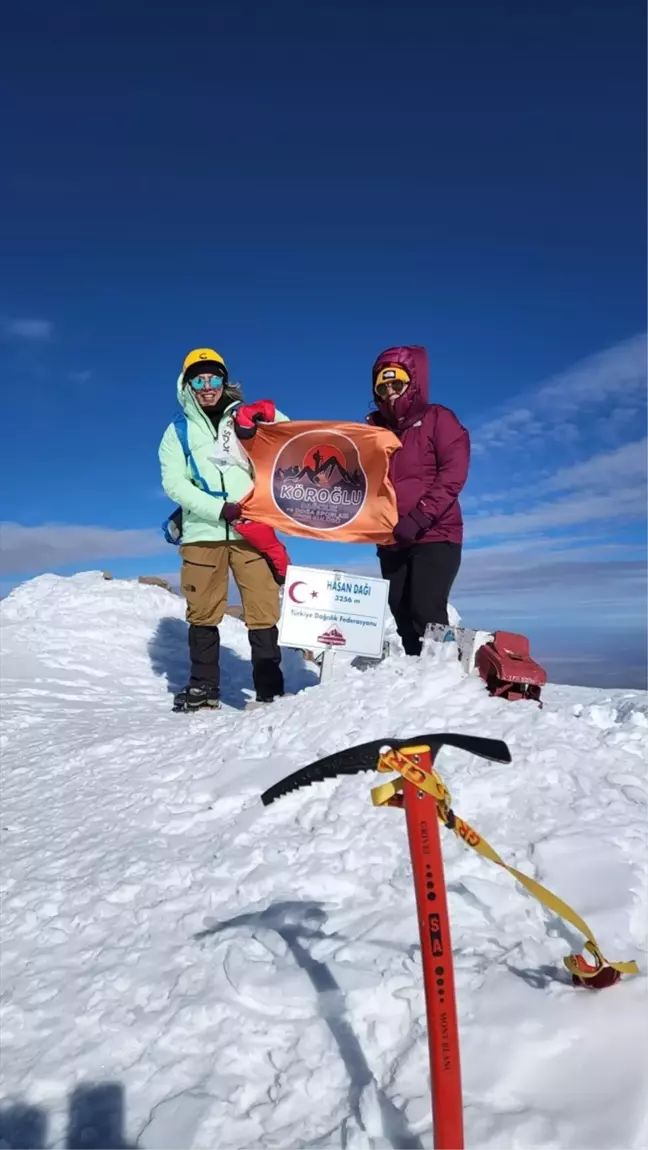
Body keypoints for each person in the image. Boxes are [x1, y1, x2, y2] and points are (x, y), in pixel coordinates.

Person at [159, 347, 289, 711]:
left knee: (262, 609)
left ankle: (270, 690)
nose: (207, 386)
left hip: (252, 528)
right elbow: (174, 484)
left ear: (223, 381)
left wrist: (269, 413)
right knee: (203, 612)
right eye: (198, 379)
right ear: (187, 385)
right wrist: (219, 509)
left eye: (213, 377)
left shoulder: (244, 419)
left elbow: (288, 441)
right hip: (203, 532)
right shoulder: (177, 431)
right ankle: (204, 688)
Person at [367, 345, 470, 656]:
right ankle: (418, 674)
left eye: (396, 384)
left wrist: (420, 516)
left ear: (411, 383)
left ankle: (448, 673)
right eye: (382, 387)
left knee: (426, 607)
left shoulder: (438, 419)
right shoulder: (374, 430)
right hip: (392, 538)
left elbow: (453, 473)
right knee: (400, 610)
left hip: (436, 533)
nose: (390, 393)